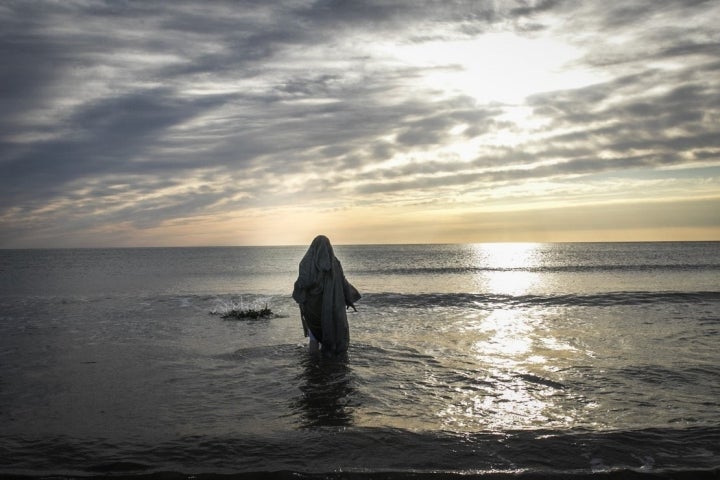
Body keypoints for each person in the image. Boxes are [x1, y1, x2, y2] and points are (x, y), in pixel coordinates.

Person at [292, 235, 361, 357]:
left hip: (312, 309)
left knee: (313, 337)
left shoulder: (307, 262)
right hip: (330, 309)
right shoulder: (334, 263)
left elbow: (303, 283)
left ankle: (314, 365)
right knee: (329, 332)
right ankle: (328, 363)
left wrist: (298, 290)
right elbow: (343, 282)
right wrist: (350, 297)